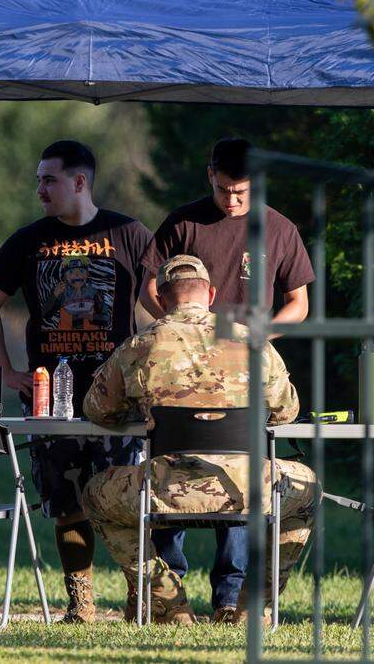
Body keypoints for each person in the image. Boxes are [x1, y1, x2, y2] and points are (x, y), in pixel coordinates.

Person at [0, 140, 169, 623]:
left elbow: (160, 305)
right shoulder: (28, 240)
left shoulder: (129, 233)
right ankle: (79, 603)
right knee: (65, 502)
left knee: (126, 499)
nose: (40, 189)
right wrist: (4, 370)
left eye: (49, 179)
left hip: (116, 398)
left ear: (79, 182)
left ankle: (137, 597)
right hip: (49, 397)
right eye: (39, 179)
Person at [82, 255, 318, 625]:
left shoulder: (139, 345)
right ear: (210, 293)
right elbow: (287, 411)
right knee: (308, 486)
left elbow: (98, 410)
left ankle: (166, 600)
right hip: (245, 489)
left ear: (161, 296)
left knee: (96, 493)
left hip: (164, 490)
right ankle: (252, 605)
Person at [139, 136, 314, 623]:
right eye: (224, 190)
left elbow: (299, 303)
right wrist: (175, 327)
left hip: (244, 372)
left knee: (240, 478)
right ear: (209, 175)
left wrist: (261, 334)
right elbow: (147, 284)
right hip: (180, 374)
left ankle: (230, 597)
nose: (233, 201)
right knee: (170, 465)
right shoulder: (183, 221)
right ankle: (169, 590)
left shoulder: (279, 229)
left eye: (242, 192)